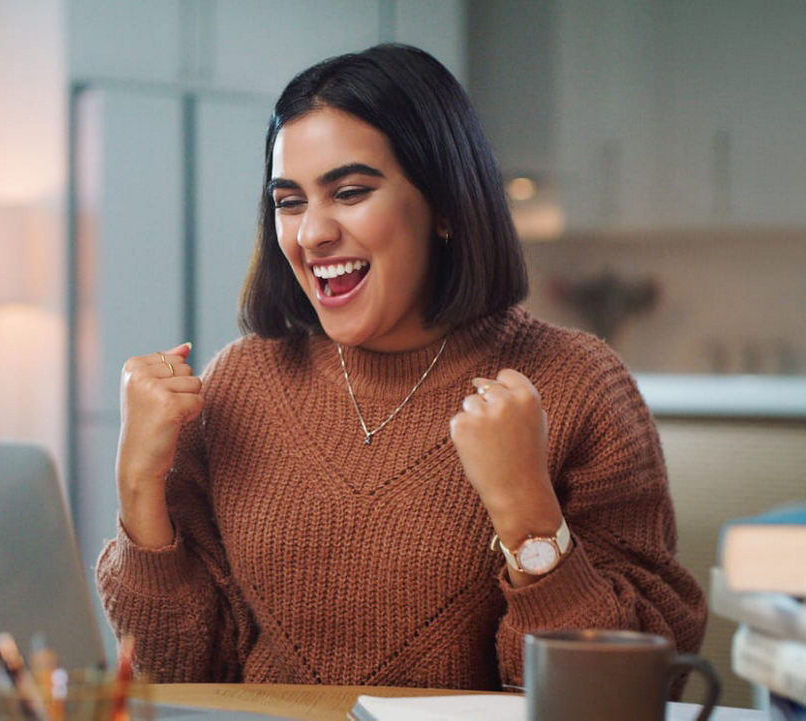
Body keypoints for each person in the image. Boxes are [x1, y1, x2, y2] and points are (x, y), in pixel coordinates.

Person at [95, 43, 706, 691]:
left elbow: (633, 691)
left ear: (444, 205)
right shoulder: (238, 383)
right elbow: (177, 674)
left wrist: (527, 511)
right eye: (289, 200)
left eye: (350, 191)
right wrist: (138, 484)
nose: (311, 234)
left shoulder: (579, 382)